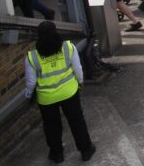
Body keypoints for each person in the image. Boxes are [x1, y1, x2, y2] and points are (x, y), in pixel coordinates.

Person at [24, 21, 95, 163]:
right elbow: (77, 69)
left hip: (46, 98)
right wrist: (79, 83)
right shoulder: (68, 48)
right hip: (69, 92)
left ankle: (57, 154)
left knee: (51, 125)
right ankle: (86, 150)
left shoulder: (32, 57)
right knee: (77, 121)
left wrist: (28, 95)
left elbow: (31, 82)